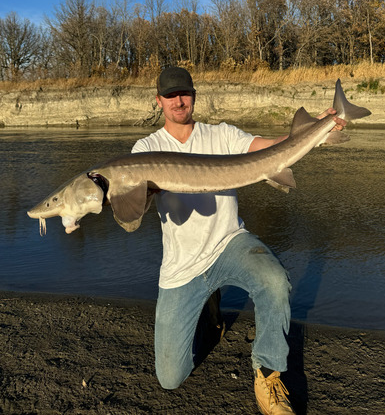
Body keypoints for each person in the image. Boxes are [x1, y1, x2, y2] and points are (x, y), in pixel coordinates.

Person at [131, 67, 346, 415]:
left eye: (184, 93)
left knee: (274, 281)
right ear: (159, 101)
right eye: (170, 96)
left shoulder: (221, 134)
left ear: (194, 95)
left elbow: (270, 149)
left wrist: (317, 129)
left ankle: (267, 372)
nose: (178, 101)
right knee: (170, 377)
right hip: (182, 264)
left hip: (229, 243)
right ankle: (210, 315)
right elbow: (135, 208)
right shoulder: (146, 148)